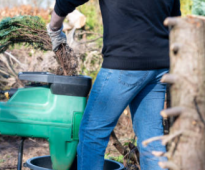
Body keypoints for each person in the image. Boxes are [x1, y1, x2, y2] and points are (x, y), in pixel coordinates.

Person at [47, 0, 181, 169]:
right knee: (152, 141)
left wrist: (54, 27)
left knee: (92, 134)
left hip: (125, 63)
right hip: (159, 66)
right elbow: (176, 19)